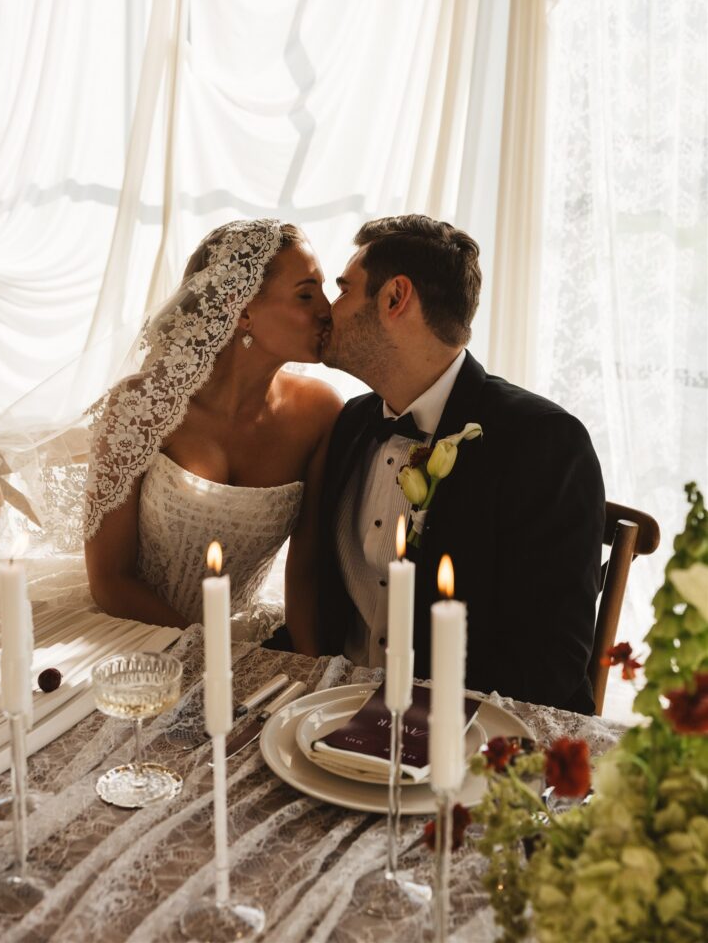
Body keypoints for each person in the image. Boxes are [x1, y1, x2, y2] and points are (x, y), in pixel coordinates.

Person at [316, 214, 604, 713]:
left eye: (343, 291)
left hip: (470, 735)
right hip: (334, 711)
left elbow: (551, 660)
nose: (328, 310)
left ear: (394, 298)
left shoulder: (545, 442)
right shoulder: (353, 423)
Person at [84, 219, 341, 653]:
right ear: (242, 311)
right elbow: (110, 579)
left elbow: (307, 569)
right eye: (305, 293)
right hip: (130, 636)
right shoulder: (143, 404)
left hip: (243, 645)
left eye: (323, 290)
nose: (327, 309)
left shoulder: (319, 412)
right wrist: (208, 654)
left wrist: (309, 669)